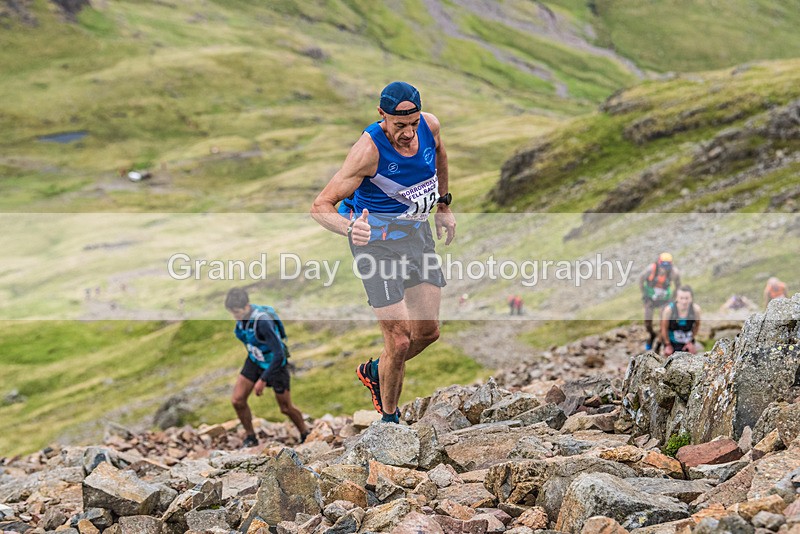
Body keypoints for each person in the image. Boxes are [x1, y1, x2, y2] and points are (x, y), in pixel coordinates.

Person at [310, 81, 455, 424]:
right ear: (382, 115)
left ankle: (376, 370)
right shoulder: (367, 151)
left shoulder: (430, 126)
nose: (408, 133)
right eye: (399, 125)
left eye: (413, 123)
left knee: (428, 333)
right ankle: (390, 421)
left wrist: (444, 205)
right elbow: (320, 206)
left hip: (416, 235)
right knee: (400, 340)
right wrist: (349, 227)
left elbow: (440, 155)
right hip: (376, 245)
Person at [225, 287, 308, 446]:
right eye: (232, 313)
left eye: (237, 312)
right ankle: (251, 437)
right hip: (255, 360)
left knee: (285, 408)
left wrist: (263, 380)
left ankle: (305, 433)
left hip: (275, 365)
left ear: (246, 306)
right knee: (237, 400)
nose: (235, 316)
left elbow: (279, 354)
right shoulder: (242, 321)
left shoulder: (263, 322)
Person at [639, 252, 682, 351]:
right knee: (647, 322)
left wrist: (674, 298)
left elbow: (678, 285)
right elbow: (641, 279)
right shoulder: (650, 269)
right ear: (659, 263)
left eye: (667, 266)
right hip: (650, 298)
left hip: (664, 300)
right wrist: (644, 293)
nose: (664, 268)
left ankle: (659, 342)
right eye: (663, 265)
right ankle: (651, 335)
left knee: (663, 322)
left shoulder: (674, 273)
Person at [660, 285, 701, 356]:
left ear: (691, 298)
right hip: (672, 342)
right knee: (668, 355)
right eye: (681, 298)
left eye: (687, 298)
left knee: (692, 354)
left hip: (687, 340)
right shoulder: (668, 310)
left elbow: (697, 326)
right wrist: (667, 344)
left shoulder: (696, 310)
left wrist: (690, 341)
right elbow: (664, 328)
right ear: (676, 298)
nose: (684, 301)